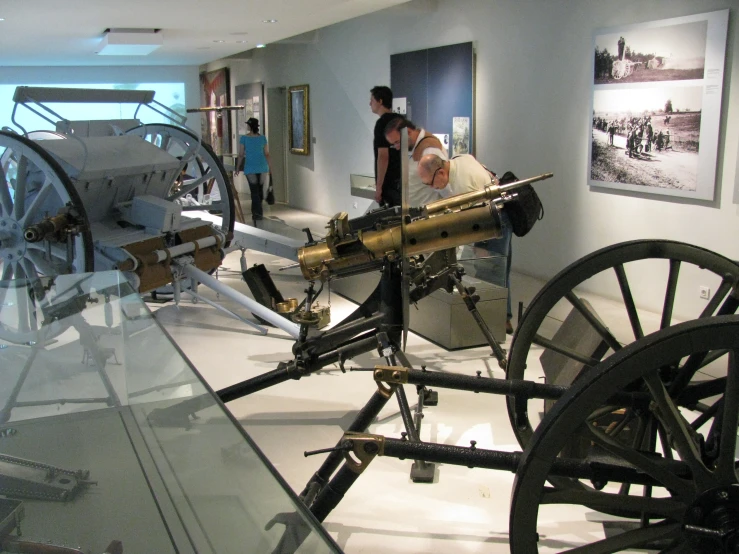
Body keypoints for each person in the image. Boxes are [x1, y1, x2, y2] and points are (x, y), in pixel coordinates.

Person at [417, 154, 514, 334]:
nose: (432, 187)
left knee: (491, 270)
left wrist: (479, 245)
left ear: (440, 172)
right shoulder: (460, 161)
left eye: (430, 183)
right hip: (494, 215)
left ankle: (495, 322)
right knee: (498, 271)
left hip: (493, 220)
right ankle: (502, 318)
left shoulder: (463, 184)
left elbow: (475, 217)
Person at [384, 116, 447, 207]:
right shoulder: (413, 147)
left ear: (408, 132)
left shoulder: (430, 150)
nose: (397, 147)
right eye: (393, 144)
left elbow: (442, 184)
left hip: (428, 210)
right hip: (416, 209)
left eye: (397, 142)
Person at [235, 117, 272, 222]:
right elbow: (267, 154)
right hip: (263, 167)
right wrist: (270, 167)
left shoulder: (244, 138)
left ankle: (257, 213)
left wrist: (238, 167)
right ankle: (257, 212)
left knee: (254, 191)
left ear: (249, 126)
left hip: (250, 167)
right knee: (259, 191)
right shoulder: (262, 138)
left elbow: (241, 154)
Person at [370, 86, 401, 207]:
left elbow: (383, 157)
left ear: (380, 101)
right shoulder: (400, 120)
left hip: (388, 184)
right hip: (400, 181)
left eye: (372, 100)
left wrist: (379, 188)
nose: (370, 103)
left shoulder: (381, 124)